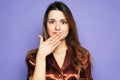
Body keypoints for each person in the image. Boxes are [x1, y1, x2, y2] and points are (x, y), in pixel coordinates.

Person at [26, 1, 93, 80]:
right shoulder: (33, 57)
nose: (57, 27)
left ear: (70, 26)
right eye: (52, 22)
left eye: (63, 22)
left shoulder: (82, 56)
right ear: (46, 26)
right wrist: (41, 57)